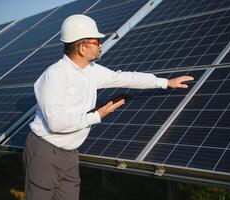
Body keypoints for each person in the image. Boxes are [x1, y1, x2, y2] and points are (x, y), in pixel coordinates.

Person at [23, 14, 194, 200]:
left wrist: (166, 82)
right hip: (45, 151)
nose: (100, 45)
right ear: (82, 47)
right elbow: (56, 123)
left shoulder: (91, 72)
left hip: (70, 154)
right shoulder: (54, 76)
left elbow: (126, 77)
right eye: (96, 41)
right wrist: (97, 115)